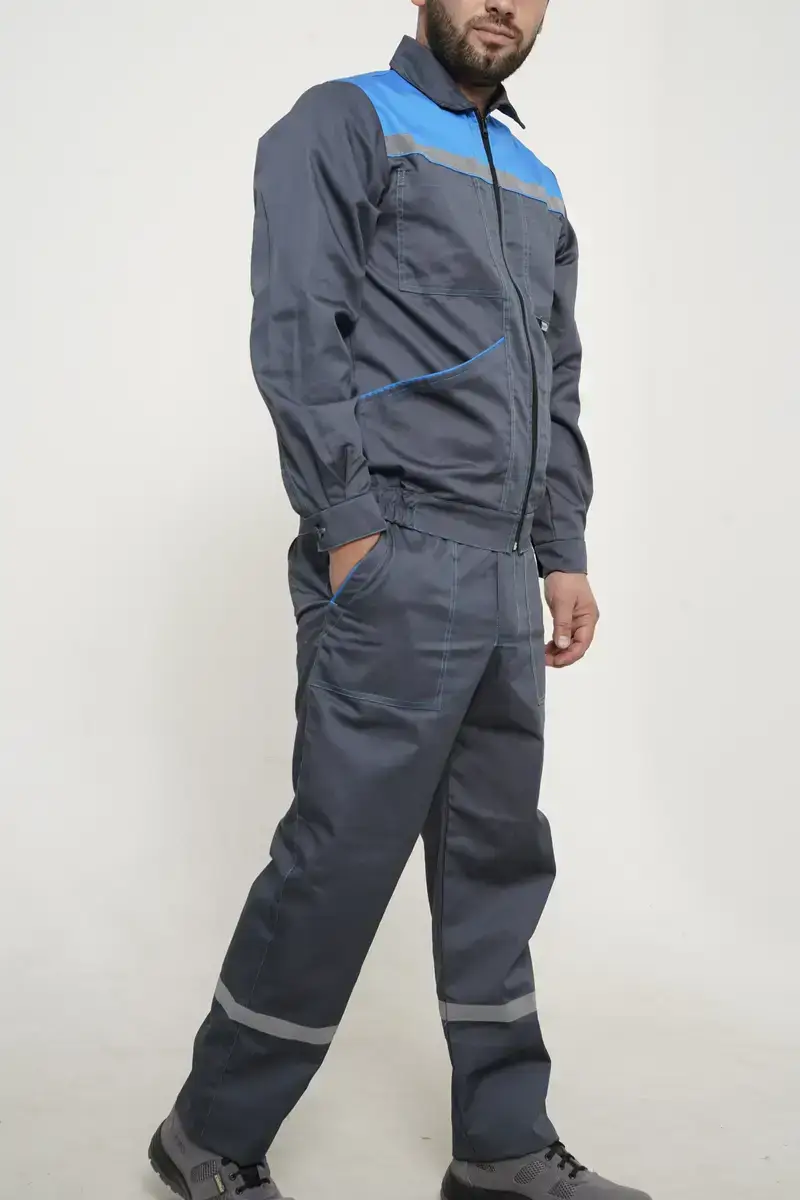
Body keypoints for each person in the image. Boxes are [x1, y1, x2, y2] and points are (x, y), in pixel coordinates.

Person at [149, 2, 651, 1198]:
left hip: (503, 568)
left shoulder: (534, 179)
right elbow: (296, 328)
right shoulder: (345, 123)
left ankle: (501, 1147)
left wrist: (560, 548)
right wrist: (350, 529)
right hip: (398, 557)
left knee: (497, 865)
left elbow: (555, 374)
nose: (503, 4)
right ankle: (208, 1134)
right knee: (339, 859)